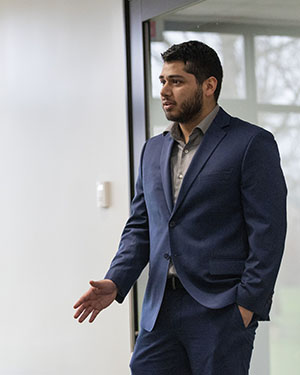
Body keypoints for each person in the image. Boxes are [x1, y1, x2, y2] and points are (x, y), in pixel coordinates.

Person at [73, 41, 287, 374]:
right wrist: (116, 281)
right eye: (162, 81)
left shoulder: (250, 143)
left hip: (221, 309)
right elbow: (142, 226)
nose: (165, 91)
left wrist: (247, 303)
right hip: (160, 308)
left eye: (176, 81)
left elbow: (268, 231)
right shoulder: (153, 150)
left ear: (209, 86)